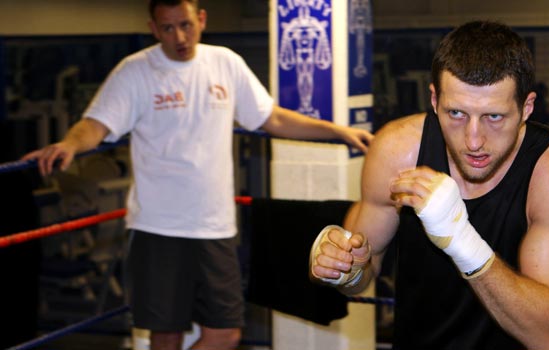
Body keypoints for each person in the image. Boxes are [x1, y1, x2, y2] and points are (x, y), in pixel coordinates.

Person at [21, 1, 373, 349]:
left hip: (215, 227)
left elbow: (272, 117)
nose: (179, 36)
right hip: (158, 228)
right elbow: (97, 124)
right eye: (168, 28)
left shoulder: (225, 63)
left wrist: (337, 131)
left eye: (185, 25)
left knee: (226, 334)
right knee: (166, 336)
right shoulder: (135, 71)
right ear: (153, 29)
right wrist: (69, 143)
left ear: (201, 19)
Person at [310, 20, 549, 349]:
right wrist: (345, 269)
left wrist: (459, 238)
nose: (473, 140)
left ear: (526, 107)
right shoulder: (398, 151)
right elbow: (363, 274)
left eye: (494, 117)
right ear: (434, 99)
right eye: (456, 113)